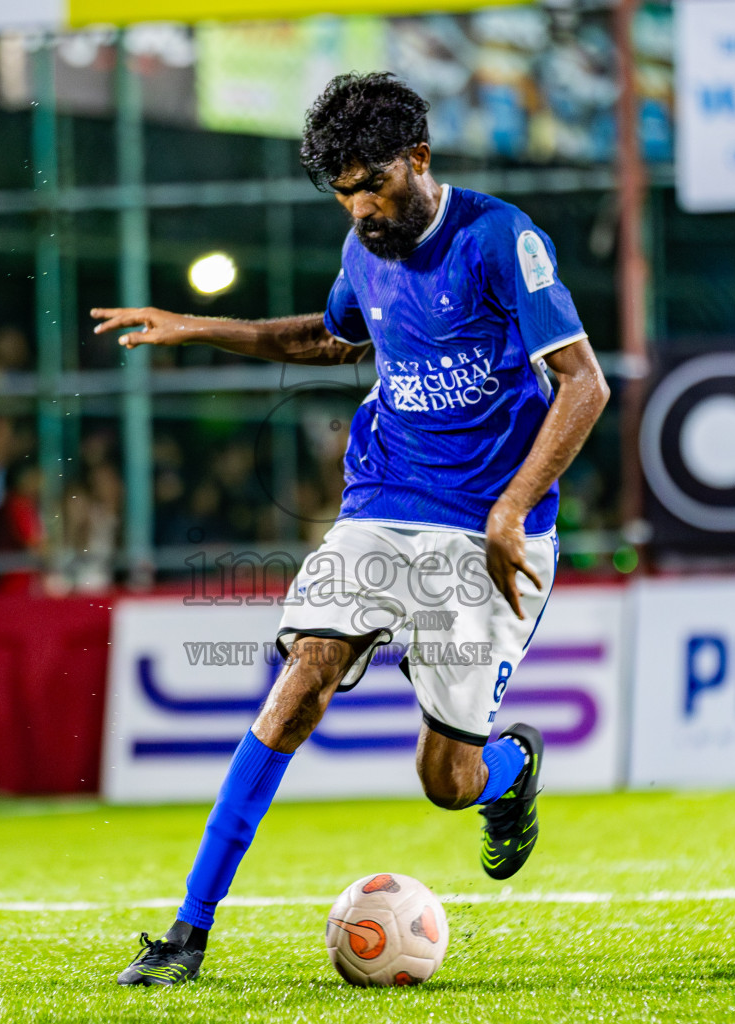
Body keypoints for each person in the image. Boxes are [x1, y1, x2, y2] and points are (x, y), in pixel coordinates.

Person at [93, 72, 610, 986]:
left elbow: (584, 384)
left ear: (419, 158)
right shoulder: (363, 247)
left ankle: (509, 769)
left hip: (488, 527)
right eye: (344, 193)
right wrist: (197, 327)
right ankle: (186, 933)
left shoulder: (500, 238)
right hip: (384, 501)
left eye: (374, 185)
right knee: (302, 680)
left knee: (445, 782)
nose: (362, 209)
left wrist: (511, 505)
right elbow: (331, 339)